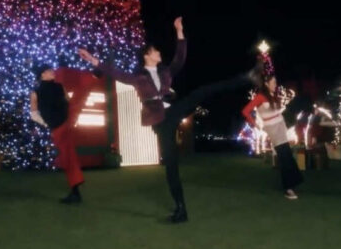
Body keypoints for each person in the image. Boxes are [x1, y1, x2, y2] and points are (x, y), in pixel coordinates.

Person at [78, 17, 259, 223]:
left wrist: (179, 31)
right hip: (159, 121)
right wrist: (92, 59)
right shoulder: (138, 78)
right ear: (147, 55)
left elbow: (179, 59)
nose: (159, 53)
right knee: (171, 165)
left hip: (172, 112)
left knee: (201, 91)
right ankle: (181, 210)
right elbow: (115, 73)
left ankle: (246, 77)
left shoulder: (165, 71)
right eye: (155, 51)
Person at [242, 74, 303, 199]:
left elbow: (276, 112)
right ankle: (288, 188)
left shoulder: (273, 96)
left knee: (287, 155)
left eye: (275, 82)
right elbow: (245, 111)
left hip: (281, 126)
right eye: (273, 82)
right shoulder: (260, 97)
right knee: (284, 157)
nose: (275, 85)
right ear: (266, 83)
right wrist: (256, 125)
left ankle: (293, 183)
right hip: (273, 130)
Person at [29, 65, 85, 204]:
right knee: (67, 156)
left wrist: (69, 119)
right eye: (48, 71)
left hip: (65, 125)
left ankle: (75, 191)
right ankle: (75, 189)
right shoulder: (36, 92)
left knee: (68, 156)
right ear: (42, 75)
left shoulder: (59, 87)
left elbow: (69, 103)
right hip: (59, 127)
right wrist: (47, 123)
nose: (52, 72)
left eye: (51, 70)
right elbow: (34, 114)